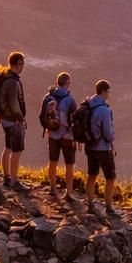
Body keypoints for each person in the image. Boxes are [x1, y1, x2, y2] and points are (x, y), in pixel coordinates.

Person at [41, 70, 77, 201]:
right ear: (67, 83)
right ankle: (69, 193)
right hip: (67, 136)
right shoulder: (70, 100)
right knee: (69, 164)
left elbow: (42, 116)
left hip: (52, 134)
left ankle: (52, 188)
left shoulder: (48, 97)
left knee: (53, 162)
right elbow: (75, 120)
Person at [84, 79, 116, 216]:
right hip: (102, 148)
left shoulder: (88, 104)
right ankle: (108, 207)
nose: (109, 94)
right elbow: (108, 133)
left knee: (91, 175)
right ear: (103, 91)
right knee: (110, 177)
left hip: (89, 146)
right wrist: (112, 139)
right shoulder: (104, 110)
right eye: (108, 91)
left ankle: (90, 204)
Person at [0, 50, 27, 188]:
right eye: (21, 63)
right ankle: (14, 181)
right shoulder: (12, 82)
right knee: (17, 150)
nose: (23, 66)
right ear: (16, 64)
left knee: (8, 147)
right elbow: (14, 103)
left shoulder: (5, 78)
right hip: (13, 120)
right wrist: (20, 119)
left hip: (4, 119)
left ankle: (6, 176)